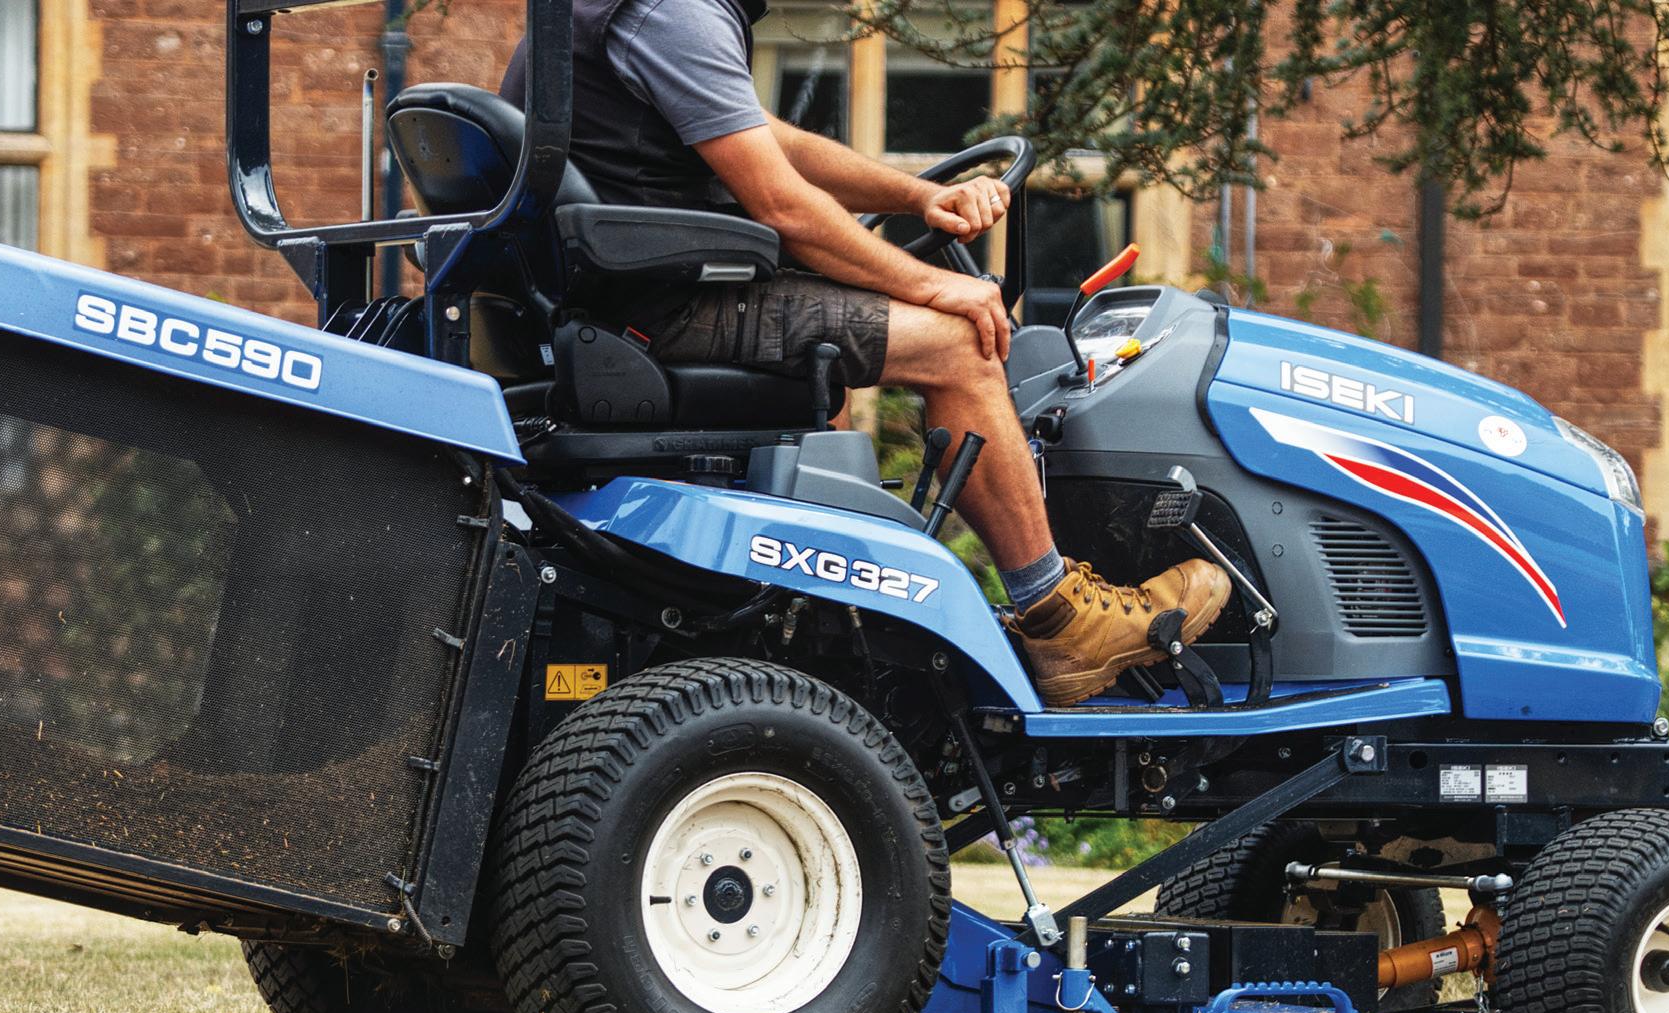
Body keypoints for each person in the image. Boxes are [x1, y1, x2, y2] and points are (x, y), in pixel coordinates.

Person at [506, 0, 1229, 706]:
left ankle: (831, 611)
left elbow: (770, 140)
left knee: (839, 342)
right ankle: (1058, 616)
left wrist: (918, 197)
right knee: (957, 345)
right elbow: (783, 205)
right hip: (667, 310)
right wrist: (935, 286)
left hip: (628, 302)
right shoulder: (672, 12)